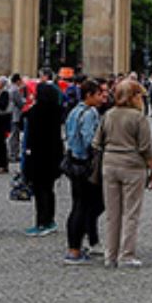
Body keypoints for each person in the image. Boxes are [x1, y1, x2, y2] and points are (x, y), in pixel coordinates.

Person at [94, 77, 152, 267]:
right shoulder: (138, 117)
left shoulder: (108, 114)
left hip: (109, 165)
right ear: (133, 96)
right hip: (132, 166)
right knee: (131, 213)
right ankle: (126, 255)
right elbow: (145, 147)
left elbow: (97, 142)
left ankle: (110, 255)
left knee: (112, 214)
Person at [63, 80, 106, 263]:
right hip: (86, 164)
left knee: (79, 205)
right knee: (88, 206)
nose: (102, 98)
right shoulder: (90, 113)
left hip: (73, 162)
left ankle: (79, 245)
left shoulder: (74, 111)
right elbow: (91, 140)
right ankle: (75, 250)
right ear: (89, 95)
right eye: (98, 94)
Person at [22, 75, 65, 234]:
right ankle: (50, 220)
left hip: (38, 158)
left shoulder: (35, 113)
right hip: (53, 157)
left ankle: (41, 222)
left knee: (40, 192)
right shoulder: (57, 111)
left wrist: (26, 160)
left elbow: (29, 139)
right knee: (49, 190)